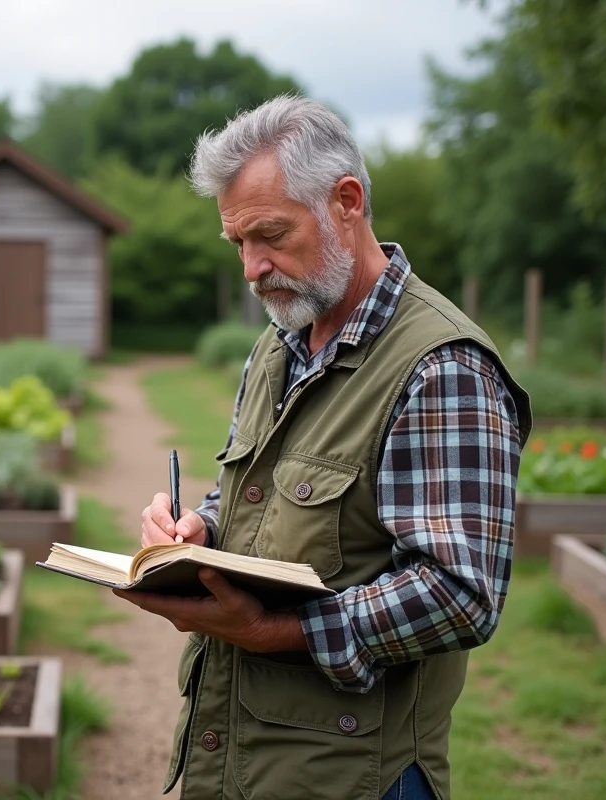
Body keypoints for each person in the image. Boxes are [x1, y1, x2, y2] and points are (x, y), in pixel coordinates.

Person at [116, 94, 532, 800]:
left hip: (356, 777)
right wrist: (199, 531)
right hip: (245, 758)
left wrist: (280, 630)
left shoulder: (442, 368)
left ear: (347, 202)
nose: (253, 268)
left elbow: (461, 595)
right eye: (239, 244)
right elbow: (248, 493)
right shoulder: (280, 343)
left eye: (270, 235)